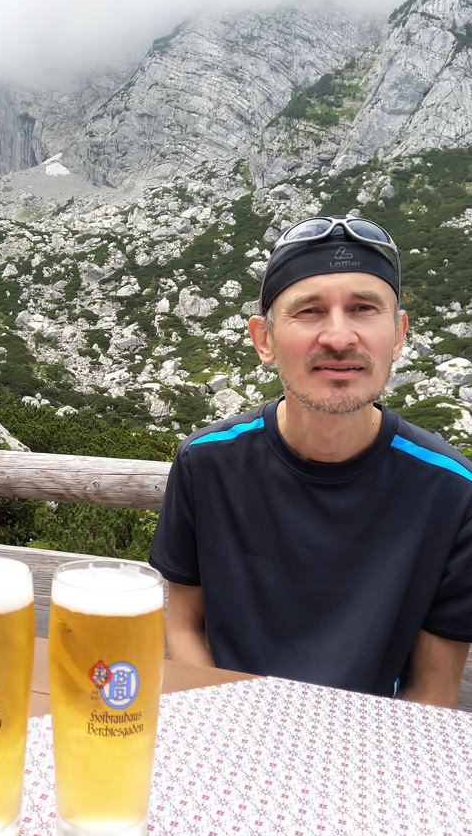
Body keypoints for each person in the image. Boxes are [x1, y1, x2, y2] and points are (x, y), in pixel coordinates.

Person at [149, 215, 472, 707]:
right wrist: (227, 726)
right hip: (225, 724)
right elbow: (184, 625)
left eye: (364, 308)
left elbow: (433, 688)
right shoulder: (206, 463)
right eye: (310, 311)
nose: (339, 337)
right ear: (264, 339)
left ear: (398, 334)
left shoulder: (451, 490)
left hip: (372, 740)